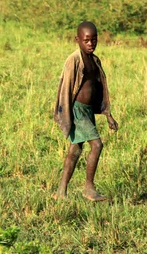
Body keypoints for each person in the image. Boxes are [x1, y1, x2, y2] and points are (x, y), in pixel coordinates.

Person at [53, 21, 118, 201]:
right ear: (78, 40)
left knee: (75, 150)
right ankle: (89, 188)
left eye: (94, 40)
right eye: (86, 40)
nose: (91, 44)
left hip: (87, 111)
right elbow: (64, 88)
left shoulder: (95, 60)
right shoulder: (73, 60)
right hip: (77, 110)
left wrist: (108, 114)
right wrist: (64, 114)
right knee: (97, 145)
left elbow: (100, 89)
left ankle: (60, 192)